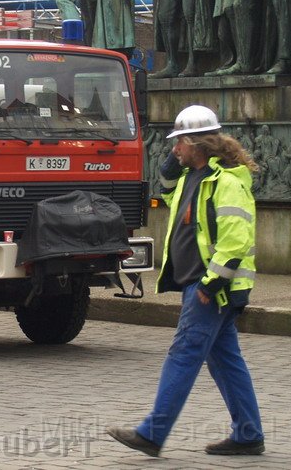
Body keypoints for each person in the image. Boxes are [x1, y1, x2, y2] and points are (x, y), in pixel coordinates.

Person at [107, 104, 263, 457]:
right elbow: (168, 198)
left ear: (197, 143)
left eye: (179, 143)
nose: (174, 148)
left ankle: (152, 433)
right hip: (199, 283)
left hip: (208, 287)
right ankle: (249, 434)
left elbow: (235, 240)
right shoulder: (195, 177)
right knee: (225, 359)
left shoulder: (226, 183)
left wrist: (210, 285)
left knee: (183, 354)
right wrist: (168, 170)